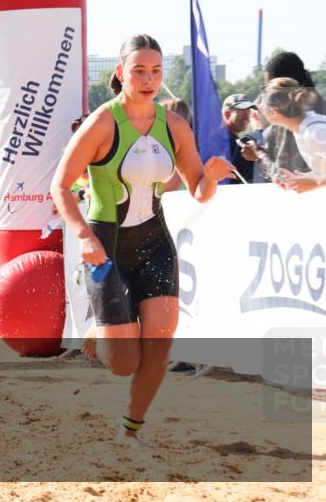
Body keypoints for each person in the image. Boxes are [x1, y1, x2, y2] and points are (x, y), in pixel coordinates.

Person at [50, 34, 235, 447]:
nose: (148, 79)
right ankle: (102, 329)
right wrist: (81, 235)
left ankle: (130, 430)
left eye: (155, 71)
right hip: (105, 246)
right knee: (123, 363)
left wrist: (213, 178)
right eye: (139, 71)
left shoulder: (174, 125)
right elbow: (59, 186)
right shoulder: (102, 123)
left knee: (160, 343)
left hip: (154, 243)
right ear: (121, 73)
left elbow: (197, 189)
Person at [242, 51, 326, 179]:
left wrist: (260, 155)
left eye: (268, 87)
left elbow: (284, 175)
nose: (265, 96)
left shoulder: (313, 129)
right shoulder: (301, 123)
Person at [258, 77, 326, 192]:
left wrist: (316, 182)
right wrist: (302, 179)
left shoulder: (315, 132)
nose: (259, 111)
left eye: (260, 108)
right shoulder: (304, 129)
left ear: (273, 112)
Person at [220, 94, 257, 184]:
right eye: (242, 110)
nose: (247, 115)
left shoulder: (233, 140)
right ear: (227, 114)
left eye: (248, 111)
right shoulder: (223, 142)